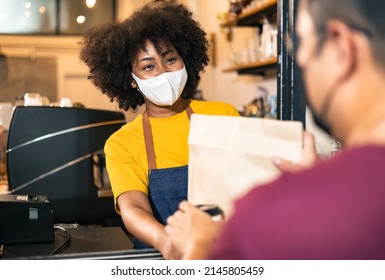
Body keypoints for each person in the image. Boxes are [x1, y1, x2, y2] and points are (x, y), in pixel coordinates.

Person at [165, 0, 385, 260]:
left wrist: (201, 247)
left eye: (299, 44)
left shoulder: (262, 215)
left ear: (340, 47)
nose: (301, 60)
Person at [78, 0, 239, 259]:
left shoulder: (223, 115)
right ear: (131, 80)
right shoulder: (122, 143)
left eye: (170, 59)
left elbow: (251, 186)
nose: (163, 72)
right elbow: (133, 208)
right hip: (163, 258)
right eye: (148, 66)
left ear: (185, 59)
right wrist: (166, 242)